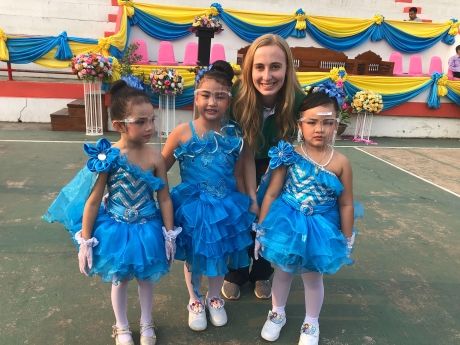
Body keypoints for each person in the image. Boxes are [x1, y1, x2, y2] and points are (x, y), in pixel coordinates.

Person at [43, 80, 178, 345]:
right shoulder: (109, 157)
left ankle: (147, 322)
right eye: (141, 121)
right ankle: (122, 325)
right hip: (115, 227)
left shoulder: (156, 157)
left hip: (147, 227)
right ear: (119, 125)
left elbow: (163, 197)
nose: (150, 127)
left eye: (152, 119)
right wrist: (85, 238)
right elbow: (94, 200)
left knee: (146, 279)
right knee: (120, 279)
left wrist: (169, 232)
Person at [254, 83, 358, 345]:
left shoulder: (341, 162)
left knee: (313, 276)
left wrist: (347, 238)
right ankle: (277, 313)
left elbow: (346, 203)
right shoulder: (289, 154)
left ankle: (311, 322)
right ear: (300, 124)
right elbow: (271, 193)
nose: (319, 129)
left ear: (336, 125)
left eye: (327, 123)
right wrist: (262, 227)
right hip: (287, 223)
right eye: (312, 122)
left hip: (321, 228)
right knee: (283, 272)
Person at [161, 61, 255, 332]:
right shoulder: (182, 132)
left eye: (220, 96)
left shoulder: (235, 133)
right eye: (206, 95)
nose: (212, 102)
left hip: (226, 205)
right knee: (193, 255)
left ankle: (215, 298)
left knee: (220, 254)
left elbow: (243, 165)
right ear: (196, 96)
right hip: (191, 207)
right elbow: (161, 167)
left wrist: (250, 196)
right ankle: (195, 300)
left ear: (229, 99)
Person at [222, 33, 307, 300]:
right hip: (239, 161)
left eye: (275, 67)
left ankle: (261, 270)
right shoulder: (236, 96)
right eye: (259, 67)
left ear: (287, 69)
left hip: (278, 166)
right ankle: (235, 271)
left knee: (270, 217)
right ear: (249, 69)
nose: (267, 75)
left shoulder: (297, 100)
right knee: (240, 214)